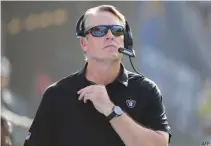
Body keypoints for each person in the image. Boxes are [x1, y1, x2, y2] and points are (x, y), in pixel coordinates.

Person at [23, 5, 172, 146]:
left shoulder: (146, 90)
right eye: (99, 30)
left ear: (124, 39)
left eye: (117, 30)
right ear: (84, 43)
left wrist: (112, 110)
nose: (110, 36)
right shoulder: (56, 95)